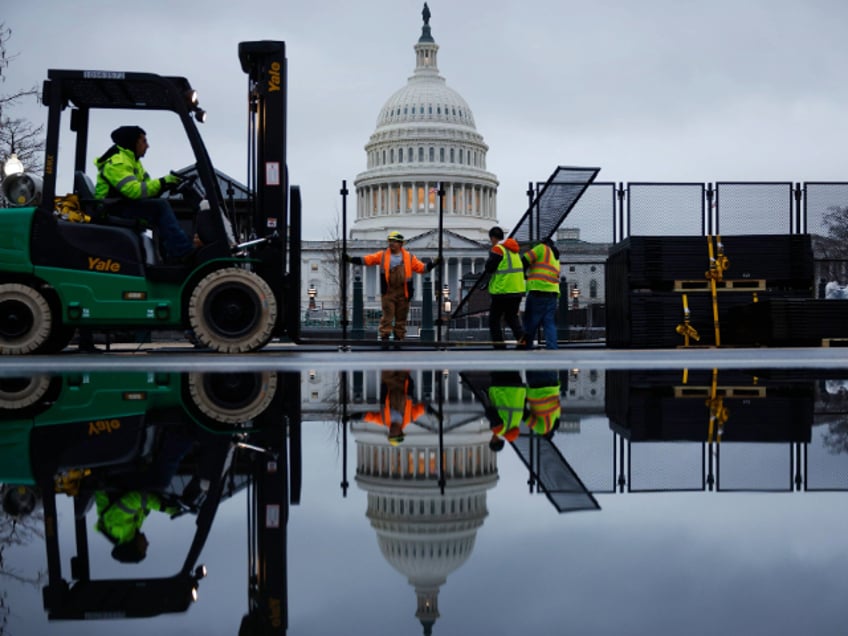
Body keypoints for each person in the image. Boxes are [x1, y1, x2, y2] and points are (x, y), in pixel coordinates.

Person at [94, 125, 195, 263]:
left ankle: (170, 257)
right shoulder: (117, 162)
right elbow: (134, 191)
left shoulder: (133, 161)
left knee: (161, 207)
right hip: (112, 208)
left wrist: (165, 185)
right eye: (144, 141)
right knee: (160, 207)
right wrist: (162, 182)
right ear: (132, 142)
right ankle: (183, 252)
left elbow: (147, 186)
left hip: (122, 205)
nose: (147, 146)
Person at [347, 231, 436, 349]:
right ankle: (385, 338)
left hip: (404, 292)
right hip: (388, 292)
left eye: (394, 241)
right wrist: (352, 259)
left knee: (401, 318)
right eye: (390, 241)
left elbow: (422, 268)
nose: (391, 244)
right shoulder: (383, 255)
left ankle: (398, 339)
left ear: (400, 244)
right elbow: (368, 260)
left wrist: (433, 264)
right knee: (387, 317)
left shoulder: (409, 257)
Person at [484, 226, 525, 349]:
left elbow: (489, 267)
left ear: (493, 238)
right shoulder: (514, 250)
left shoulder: (498, 249)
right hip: (517, 290)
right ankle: (523, 341)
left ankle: (499, 345)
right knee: (512, 318)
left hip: (502, 291)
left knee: (494, 320)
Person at [363, 370, 427, 445]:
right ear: (400, 432)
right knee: (404, 361)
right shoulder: (409, 418)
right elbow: (422, 408)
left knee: (388, 362)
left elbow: (369, 417)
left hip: (388, 382)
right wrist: (432, 411)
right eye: (393, 435)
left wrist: (353, 417)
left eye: (390, 434)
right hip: (403, 381)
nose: (391, 432)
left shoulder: (383, 420)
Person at [521, 237, 562, 350]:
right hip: (552, 293)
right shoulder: (556, 257)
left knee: (531, 322)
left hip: (538, 291)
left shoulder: (541, 248)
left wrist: (524, 275)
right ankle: (552, 348)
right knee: (549, 323)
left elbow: (524, 260)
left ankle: (527, 346)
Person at [484, 371, 527, 452]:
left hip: (517, 386)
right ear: (495, 441)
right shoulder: (499, 430)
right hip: (502, 387)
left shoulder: (515, 424)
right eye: (492, 440)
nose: (491, 438)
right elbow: (490, 412)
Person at [524, 369, 561, 439]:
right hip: (537, 387)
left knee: (547, 359)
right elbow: (525, 416)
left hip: (553, 383)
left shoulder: (556, 417)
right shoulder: (542, 429)